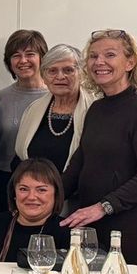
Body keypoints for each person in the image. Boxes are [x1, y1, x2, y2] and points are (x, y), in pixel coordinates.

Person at [61, 30, 137, 267]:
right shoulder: (96, 108)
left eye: (109, 55)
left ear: (130, 62)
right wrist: (49, 197)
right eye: (93, 56)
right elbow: (80, 162)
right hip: (90, 220)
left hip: (130, 223)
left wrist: (104, 207)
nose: (99, 62)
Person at [0, 29, 49, 215]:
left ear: (42, 57)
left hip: (45, 184)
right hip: (2, 183)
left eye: (30, 54)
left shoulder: (57, 97)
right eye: (16, 55)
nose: (23, 60)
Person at [12, 44, 95, 175]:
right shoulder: (33, 109)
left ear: (81, 74)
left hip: (79, 187)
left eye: (68, 70)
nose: (60, 76)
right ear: (44, 77)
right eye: (52, 71)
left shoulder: (95, 110)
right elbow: (19, 159)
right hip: (35, 186)